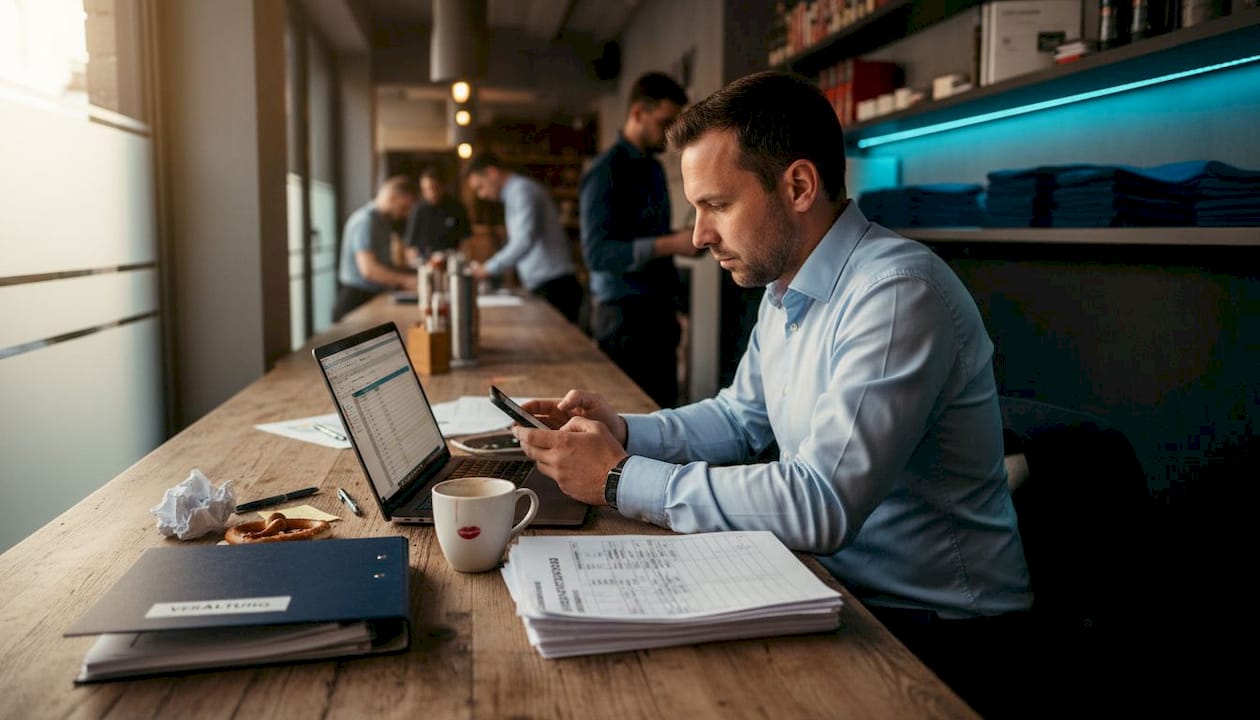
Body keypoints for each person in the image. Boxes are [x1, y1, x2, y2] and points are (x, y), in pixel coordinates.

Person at [513, 72, 1033, 717]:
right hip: (833, 586)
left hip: (937, 631)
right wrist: (624, 432)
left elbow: (821, 504)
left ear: (798, 187)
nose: (699, 235)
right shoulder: (786, 287)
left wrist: (620, 479)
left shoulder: (897, 294)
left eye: (717, 205)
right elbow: (740, 418)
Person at [579, 72, 698, 408]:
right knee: (628, 423)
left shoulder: (655, 169)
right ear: (637, 114)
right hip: (623, 320)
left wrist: (686, 239)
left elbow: (651, 235)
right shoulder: (605, 172)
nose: (672, 131)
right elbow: (597, 255)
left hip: (658, 313)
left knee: (662, 417)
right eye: (665, 121)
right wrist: (673, 243)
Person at [465, 153, 583, 325]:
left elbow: (524, 240)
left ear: (491, 172)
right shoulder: (514, 193)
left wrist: (487, 268)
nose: (481, 195)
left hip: (555, 286)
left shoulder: (521, 191)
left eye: (480, 187)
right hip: (546, 284)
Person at [333, 175, 419, 321]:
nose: (404, 214)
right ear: (392, 197)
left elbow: (384, 263)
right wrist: (407, 280)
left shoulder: (383, 223)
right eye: (403, 208)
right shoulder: (364, 221)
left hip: (372, 297)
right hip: (355, 300)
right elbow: (369, 270)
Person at [403, 165, 471, 261]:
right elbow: (410, 246)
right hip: (425, 261)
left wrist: (462, 260)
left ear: (442, 186)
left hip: (451, 260)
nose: (431, 193)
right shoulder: (417, 210)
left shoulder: (457, 207)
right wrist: (417, 264)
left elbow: (466, 240)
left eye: (434, 187)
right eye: (425, 189)